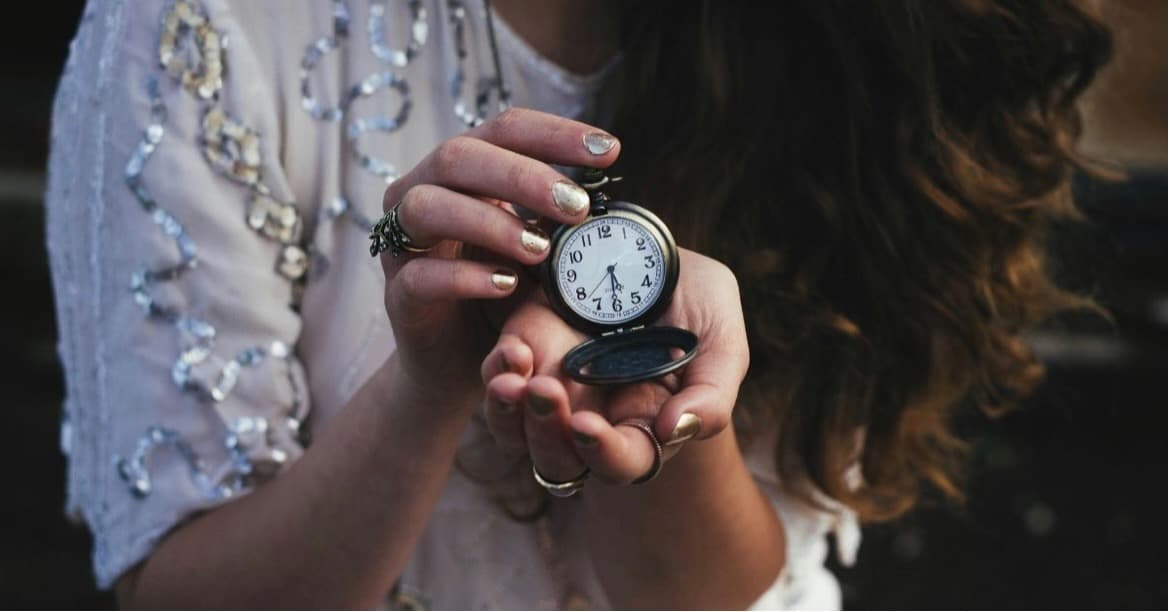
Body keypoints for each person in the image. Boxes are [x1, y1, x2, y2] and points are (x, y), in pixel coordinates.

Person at [46, 0, 1111, 608]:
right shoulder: (200, 30)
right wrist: (426, 387)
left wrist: (660, 411)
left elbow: (708, 599)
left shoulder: (865, 55)